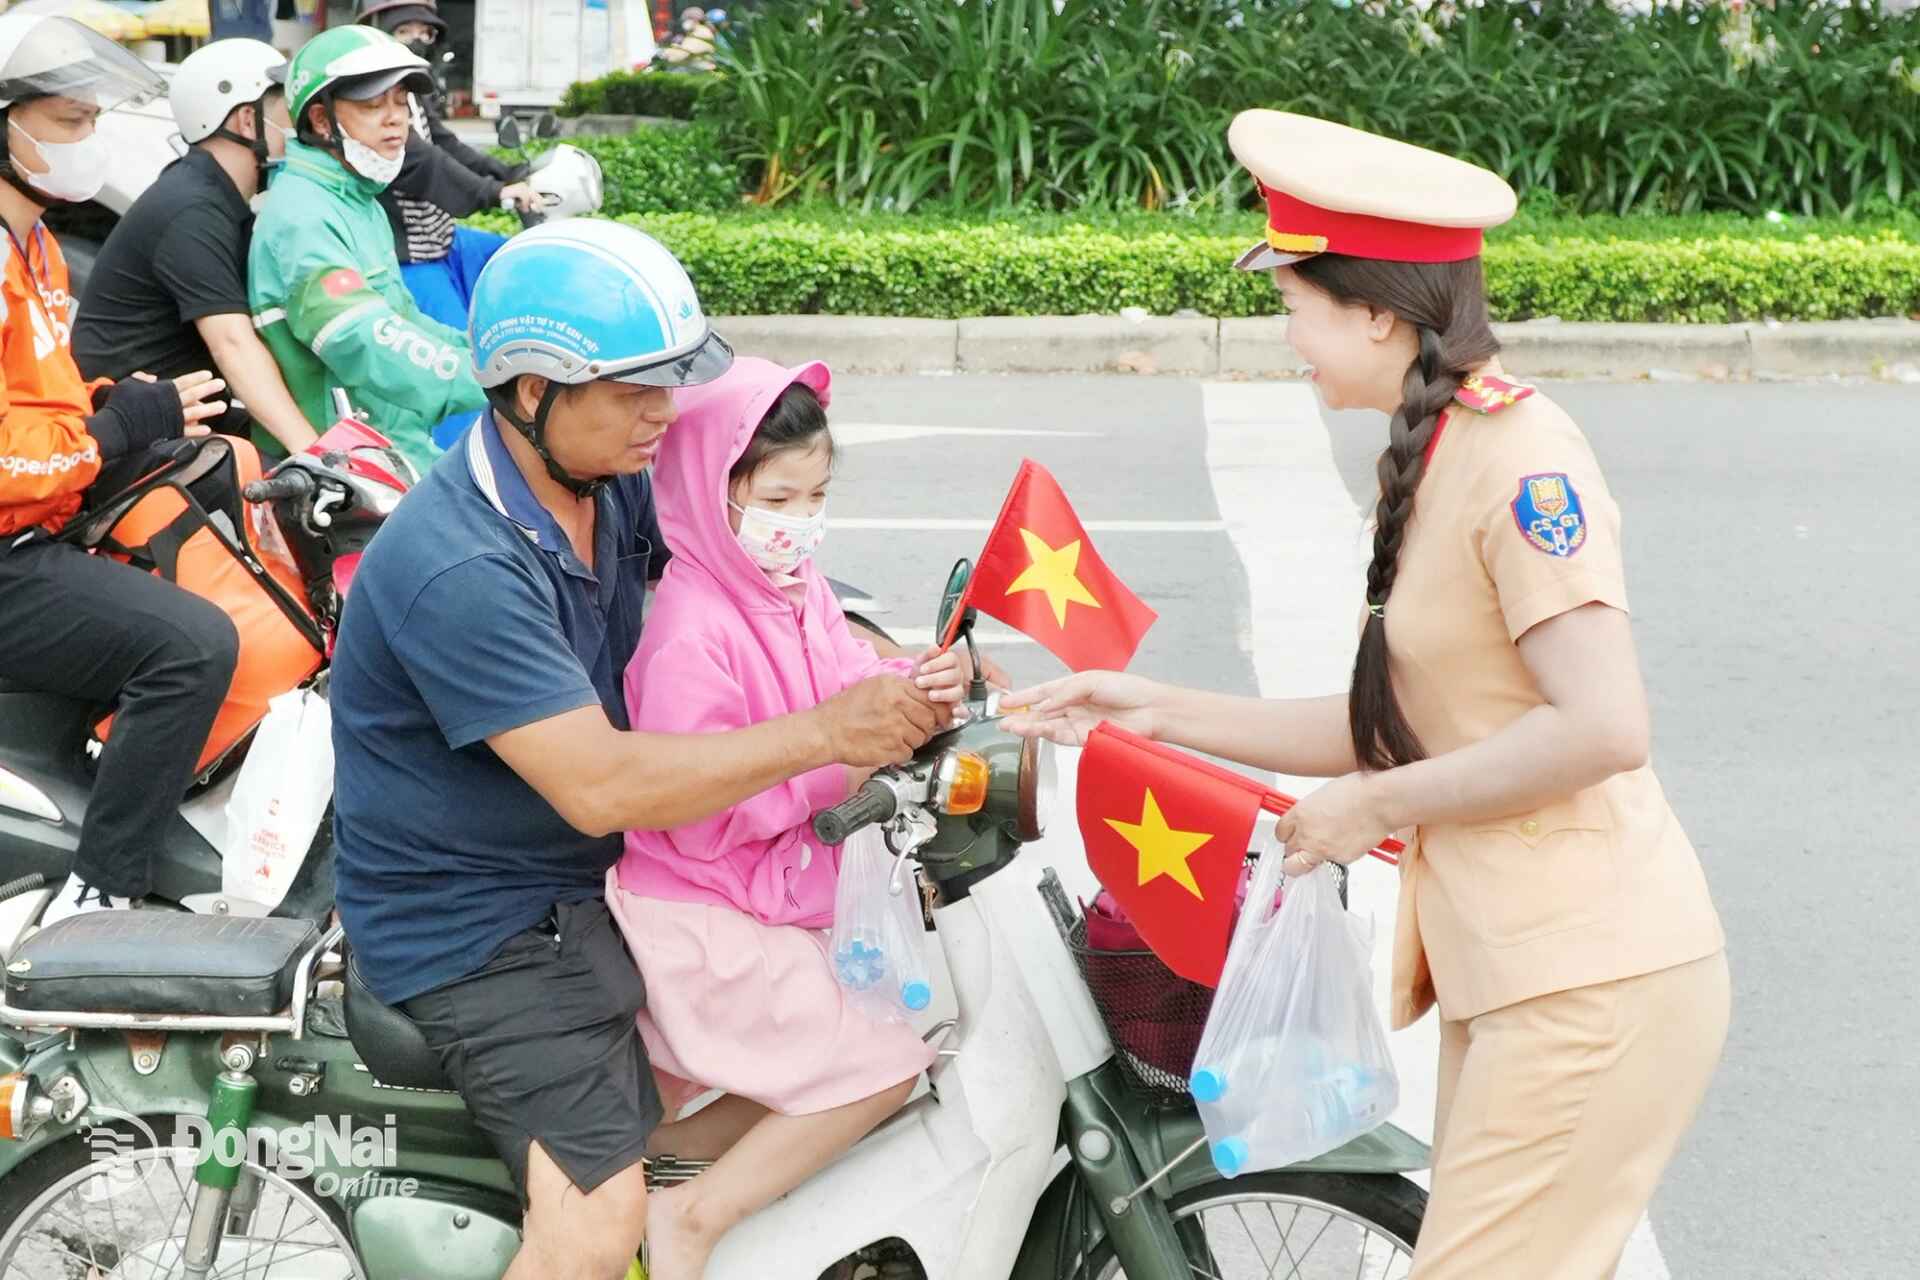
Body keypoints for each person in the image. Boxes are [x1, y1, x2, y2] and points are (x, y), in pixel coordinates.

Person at [1003, 110, 1728, 1280]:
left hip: (1589, 977)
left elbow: (1603, 726)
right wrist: (1148, 709)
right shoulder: (1434, 451)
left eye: (1294, 304)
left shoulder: (1522, 460)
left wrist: (1374, 807)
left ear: (1376, 312)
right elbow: (1383, 728)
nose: (1288, 335)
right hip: (1522, 968)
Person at [328, 218, 943, 1280]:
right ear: (533, 392)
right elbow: (600, 785)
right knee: (598, 1221)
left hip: (604, 880)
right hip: (485, 924)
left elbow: (741, 570)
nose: (665, 410)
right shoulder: (462, 565)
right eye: (634, 389)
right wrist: (828, 731)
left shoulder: (608, 484)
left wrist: (906, 667)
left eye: (671, 384)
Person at [603, 355, 972, 1279]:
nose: (801, 521)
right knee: (884, 1062)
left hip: (766, 894)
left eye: (816, 497)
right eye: (778, 499)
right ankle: (691, 1217)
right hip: (697, 914)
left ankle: (653, 1172)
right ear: (706, 490)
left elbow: (852, 683)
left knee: (881, 1039)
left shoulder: (794, 590)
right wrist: (839, 762)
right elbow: (698, 807)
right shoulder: (689, 628)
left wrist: (920, 684)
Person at [0, 13, 234, 922]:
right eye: (67, 121)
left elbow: (40, 398)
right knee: (192, 645)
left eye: (93, 120)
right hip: (11, 547)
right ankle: (100, 894)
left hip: (43, 521)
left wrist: (117, 408)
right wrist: (112, 431)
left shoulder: (35, 246)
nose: (86, 141)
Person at [249, 24, 485, 472]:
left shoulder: (358, 200)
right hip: (347, 466)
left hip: (394, 443)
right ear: (322, 120)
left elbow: (404, 318)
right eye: (373, 104)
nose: (395, 118)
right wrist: (487, 380)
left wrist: (487, 354)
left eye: (401, 101)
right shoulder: (303, 215)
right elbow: (360, 337)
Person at [73, 39, 318, 455]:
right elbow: (234, 345)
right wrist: (313, 452)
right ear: (247, 120)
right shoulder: (191, 209)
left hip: (183, 415)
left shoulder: (216, 197)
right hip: (130, 436)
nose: (295, 133)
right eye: (285, 117)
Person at [352, 0, 535, 330]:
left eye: (426, 33)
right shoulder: (367, 104)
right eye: (404, 31)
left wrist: (508, 173)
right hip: (408, 253)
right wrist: (495, 192)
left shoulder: (414, 91)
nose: (417, 41)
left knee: (522, 263)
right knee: (457, 346)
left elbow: (445, 143)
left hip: (442, 237)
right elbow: (421, 159)